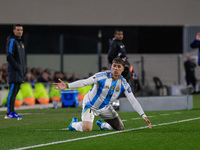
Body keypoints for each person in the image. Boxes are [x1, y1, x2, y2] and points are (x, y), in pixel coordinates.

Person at [53, 57, 152, 132]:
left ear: (122, 69)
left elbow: (133, 100)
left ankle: (102, 125)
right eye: (114, 66)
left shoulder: (124, 84)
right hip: (90, 105)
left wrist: (143, 116)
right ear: (111, 67)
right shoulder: (102, 76)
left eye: (119, 66)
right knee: (87, 129)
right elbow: (85, 82)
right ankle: (74, 124)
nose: (116, 68)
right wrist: (67, 85)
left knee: (120, 128)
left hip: (105, 107)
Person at [5, 24, 26, 120]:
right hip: (14, 72)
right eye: (17, 30)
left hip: (19, 72)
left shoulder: (20, 43)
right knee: (12, 92)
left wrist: (23, 69)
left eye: (21, 30)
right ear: (14, 31)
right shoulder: (12, 41)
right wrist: (18, 67)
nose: (19, 32)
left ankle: (12, 111)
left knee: (15, 92)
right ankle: (9, 112)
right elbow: (9, 56)